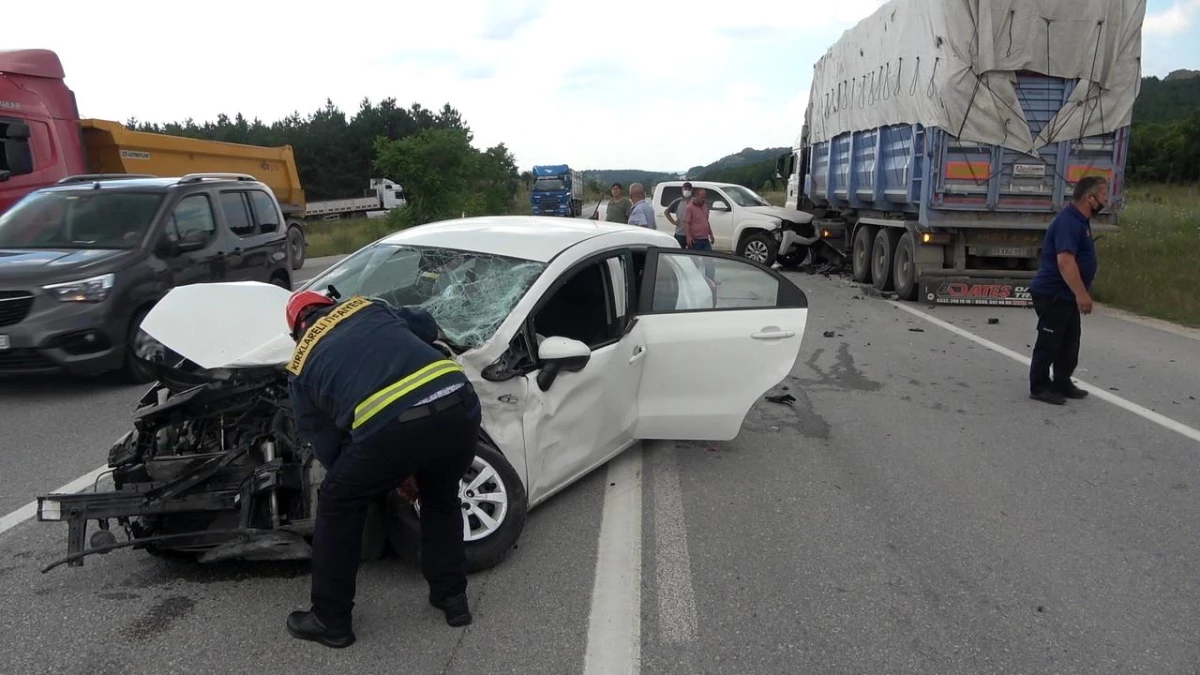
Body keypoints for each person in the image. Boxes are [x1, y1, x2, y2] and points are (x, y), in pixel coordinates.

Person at [282, 288, 482, 648]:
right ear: (330, 304)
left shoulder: (299, 364)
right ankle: (453, 599)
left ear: (296, 330)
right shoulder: (366, 306)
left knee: (338, 500)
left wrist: (378, 476)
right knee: (441, 497)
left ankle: (331, 619)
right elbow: (425, 324)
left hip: (395, 425)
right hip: (458, 401)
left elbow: (326, 442)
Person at [1027, 175, 1107, 405]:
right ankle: (1039, 386)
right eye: (1103, 195)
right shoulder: (1069, 222)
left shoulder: (1081, 221)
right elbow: (1065, 262)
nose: (1106, 200)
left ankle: (1062, 381)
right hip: (1053, 293)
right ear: (1090, 198)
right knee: (1050, 340)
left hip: (1066, 294)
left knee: (1070, 341)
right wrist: (1082, 294)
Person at [664, 181, 698, 247]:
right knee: (679, 253)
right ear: (682, 190)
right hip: (680, 233)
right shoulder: (677, 201)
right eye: (685, 189)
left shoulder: (695, 201)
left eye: (689, 189)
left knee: (692, 254)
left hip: (692, 234)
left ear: (692, 190)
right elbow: (666, 212)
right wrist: (673, 222)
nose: (687, 191)